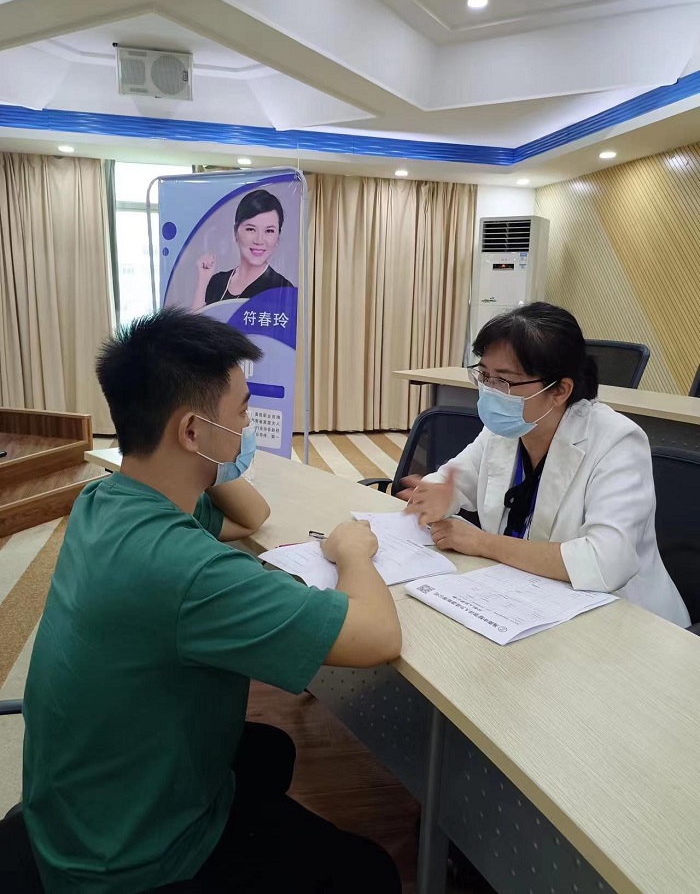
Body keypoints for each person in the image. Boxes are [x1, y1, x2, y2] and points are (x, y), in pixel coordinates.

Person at [22, 307, 402, 893]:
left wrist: (207, 458)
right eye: (242, 411)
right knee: (370, 874)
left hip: (78, 809)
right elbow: (377, 635)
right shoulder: (188, 571)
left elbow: (251, 516)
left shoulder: (105, 500)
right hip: (126, 864)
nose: (250, 424)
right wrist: (352, 552)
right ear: (191, 430)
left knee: (269, 752)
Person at [401, 302, 689, 627]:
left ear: (560, 390)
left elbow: (605, 560)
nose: (489, 392)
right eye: (484, 375)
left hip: (623, 621)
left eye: (504, 381)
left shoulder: (617, 441)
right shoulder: (505, 430)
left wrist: (482, 542)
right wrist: (438, 495)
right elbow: (454, 480)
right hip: (526, 600)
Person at [193, 189, 293, 309]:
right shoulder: (217, 281)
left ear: (278, 237)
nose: (259, 240)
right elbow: (196, 320)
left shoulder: (283, 289)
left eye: (269, 231)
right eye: (251, 229)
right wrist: (203, 280)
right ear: (235, 232)